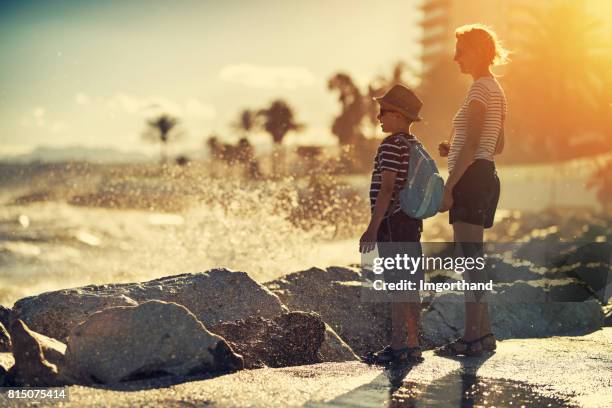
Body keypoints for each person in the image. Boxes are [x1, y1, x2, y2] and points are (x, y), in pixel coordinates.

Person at [437, 24, 508, 356]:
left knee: (470, 262)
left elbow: (478, 142)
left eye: (460, 50)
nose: (455, 58)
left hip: (471, 179)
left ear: (478, 51)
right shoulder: (496, 89)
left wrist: (449, 186)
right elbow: (499, 143)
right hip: (485, 174)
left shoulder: (479, 89)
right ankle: (484, 334)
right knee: (475, 261)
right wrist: (452, 148)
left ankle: (471, 339)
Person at [360, 84, 425, 365]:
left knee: (397, 285)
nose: (379, 118)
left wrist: (372, 227)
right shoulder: (415, 145)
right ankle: (413, 345)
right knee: (410, 284)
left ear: (398, 115)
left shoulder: (390, 145)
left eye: (383, 112)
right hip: (411, 223)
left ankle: (398, 346)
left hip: (391, 223)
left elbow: (387, 189)